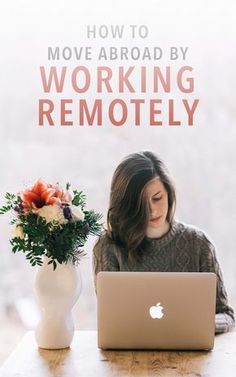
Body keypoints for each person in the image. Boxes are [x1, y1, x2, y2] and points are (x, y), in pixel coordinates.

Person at [92, 151, 235, 333]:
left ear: (169, 193)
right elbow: (112, 321)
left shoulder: (198, 243)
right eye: (141, 204)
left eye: (157, 198)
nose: (152, 211)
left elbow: (226, 315)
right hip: (129, 357)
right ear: (127, 206)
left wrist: (201, 326)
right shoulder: (108, 246)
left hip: (192, 357)